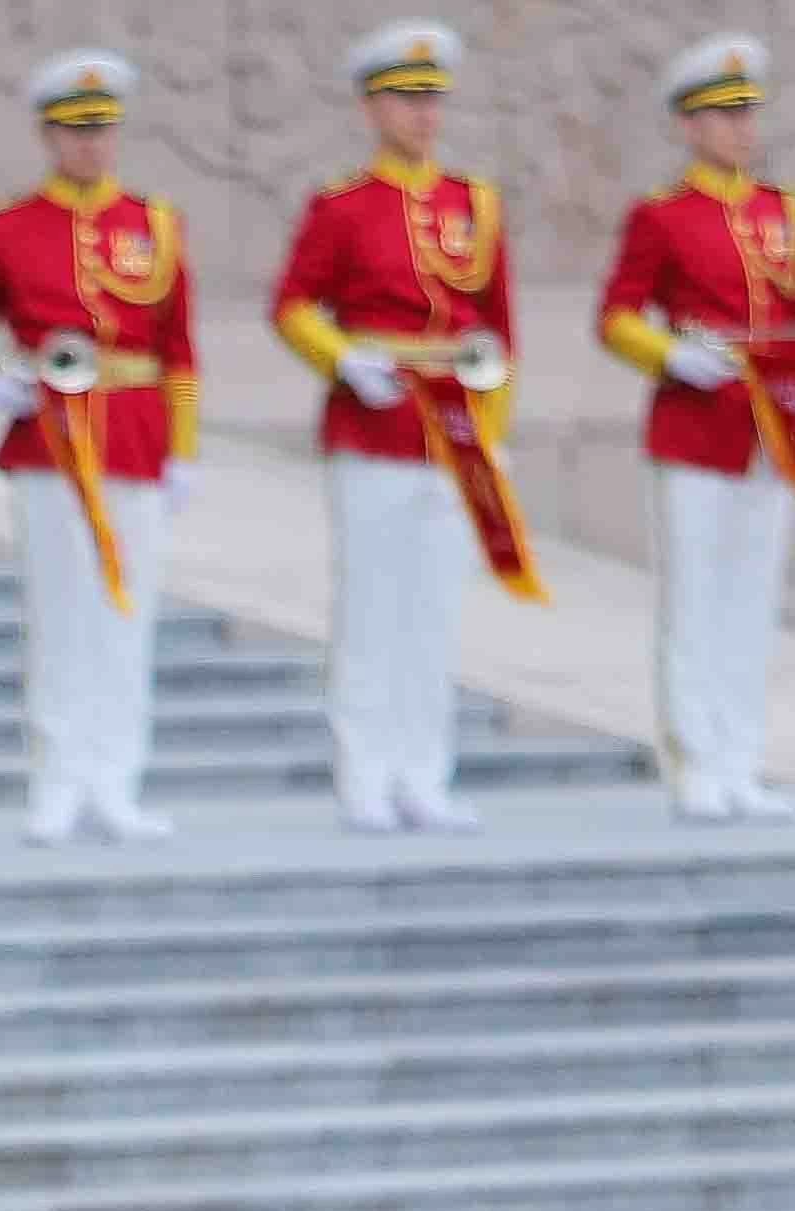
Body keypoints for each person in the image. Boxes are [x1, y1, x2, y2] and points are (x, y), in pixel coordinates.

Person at [0, 48, 200, 845]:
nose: (91, 144)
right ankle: (57, 782)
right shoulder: (8, 226)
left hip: (132, 434)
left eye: (102, 129)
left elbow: (178, 351)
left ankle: (115, 782)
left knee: (127, 617)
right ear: (49, 136)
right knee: (59, 617)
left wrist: (182, 449)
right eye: (75, 130)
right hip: (50, 438)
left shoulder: (152, 226)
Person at [270, 19, 516, 834]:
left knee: (434, 613)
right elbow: (292, 306)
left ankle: (424, 773)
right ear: (371, 107)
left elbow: (498, 331)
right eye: (405, 98)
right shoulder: (343, 208)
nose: (422, 113)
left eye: (431, 97)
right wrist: (341, 358)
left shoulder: (475, 206)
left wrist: (495, 434)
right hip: (373, 427)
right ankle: (365, 772)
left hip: (453, 427)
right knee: (371, 611)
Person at [602, 34, 795, 824]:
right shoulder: (662, 218)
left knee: (752, 604)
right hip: (694, 429)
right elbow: (617, 316)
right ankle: (693, 755)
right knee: (694, 600)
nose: (739, 129)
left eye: (746, 113)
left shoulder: (783, 214)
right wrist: (671, 355)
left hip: (771, 434)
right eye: (722, 116)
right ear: (689, 126)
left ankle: (742, 756)